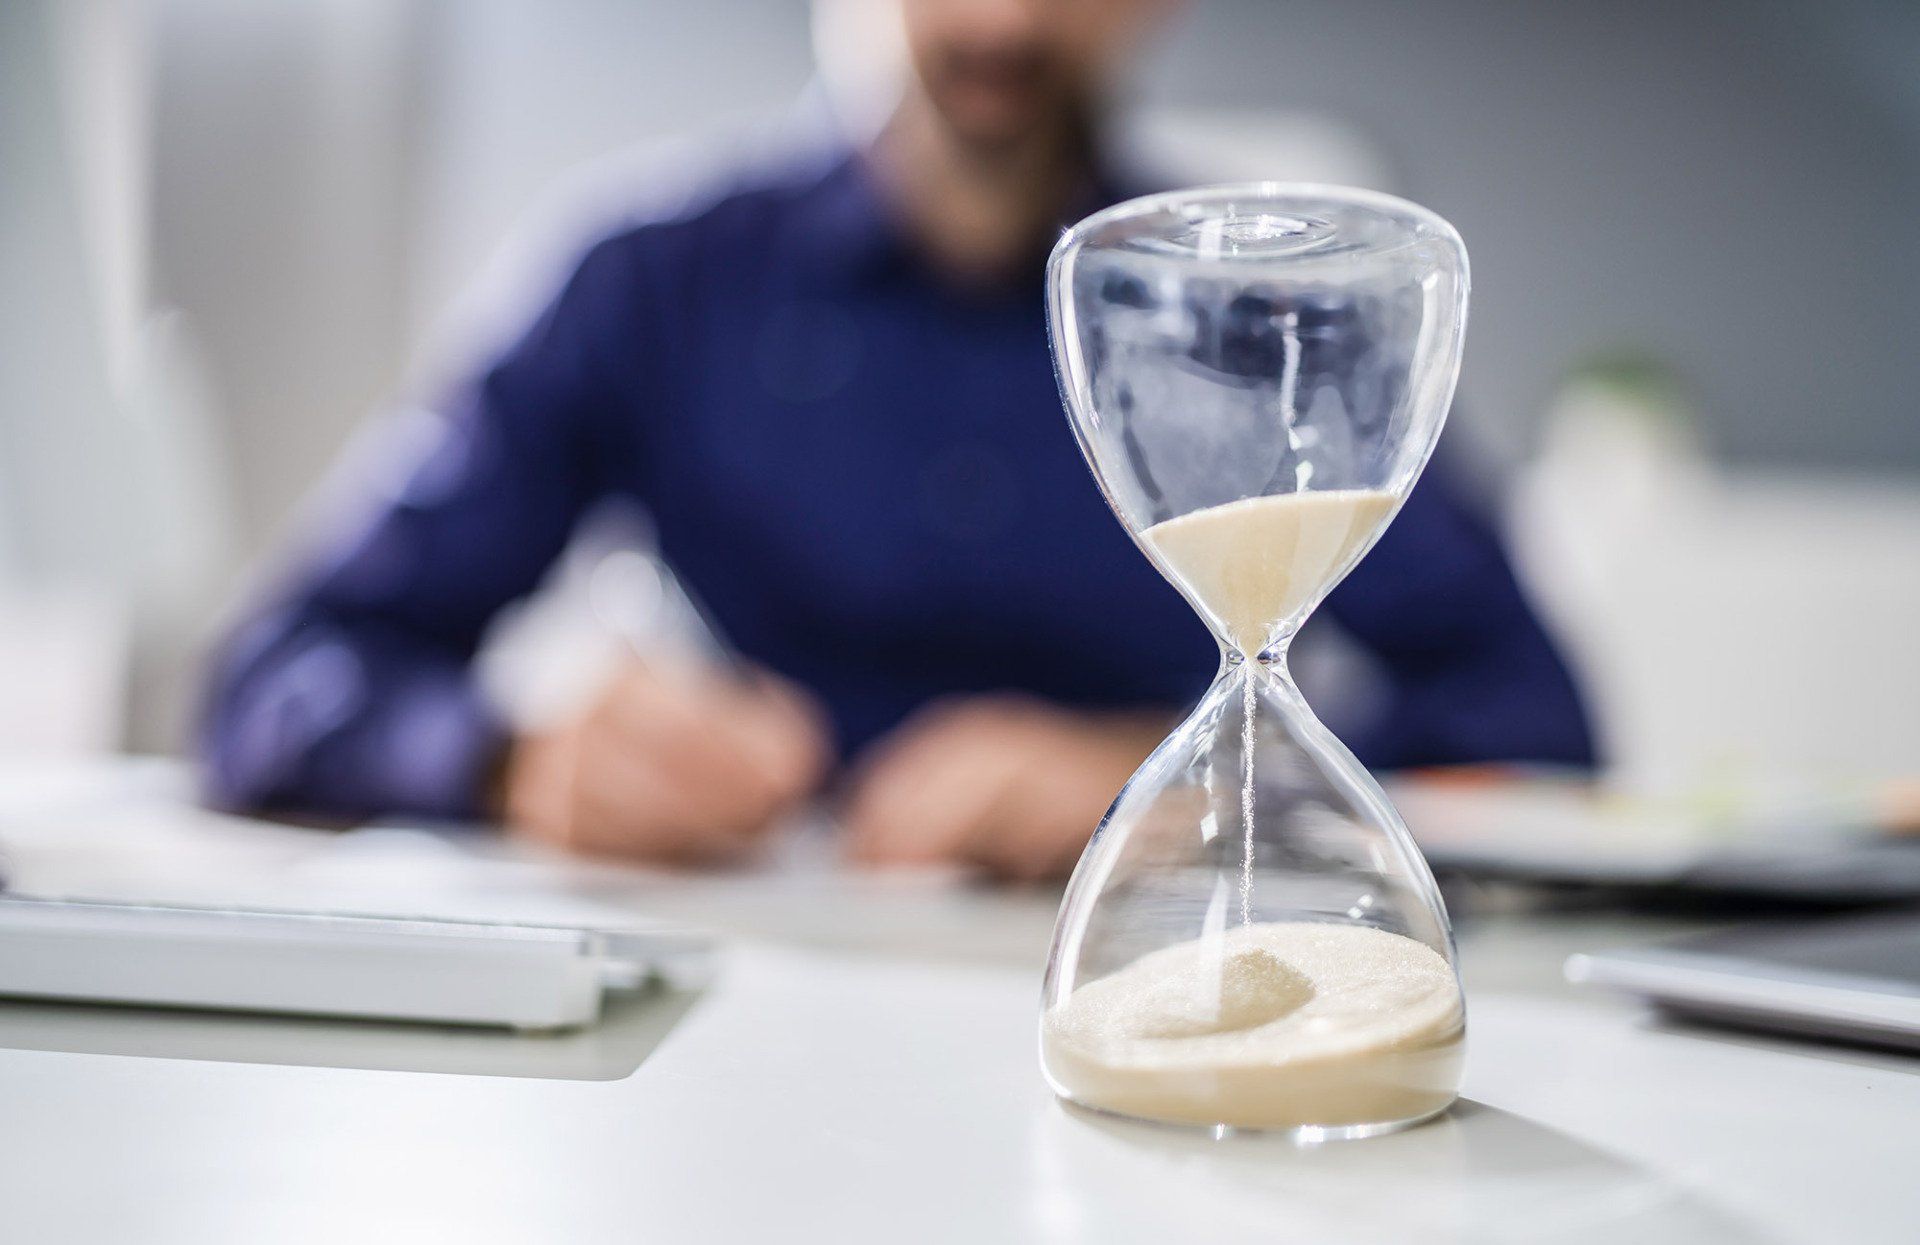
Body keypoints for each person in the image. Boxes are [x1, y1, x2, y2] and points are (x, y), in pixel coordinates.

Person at [200, 0, 1594, 880]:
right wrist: (509, 756)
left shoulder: (1268, 320)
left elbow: (1538, 728)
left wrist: (1213, 779)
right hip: (744, 965)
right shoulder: (649, 282)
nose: (1004, 16)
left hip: (1154, 941)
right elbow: (278, 674)